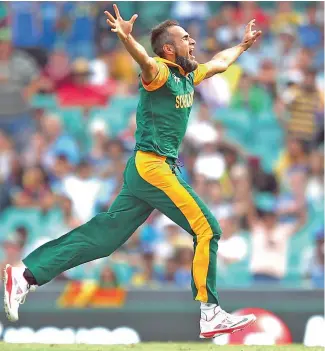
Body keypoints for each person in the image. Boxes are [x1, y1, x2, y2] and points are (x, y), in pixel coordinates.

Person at [3, 4, 261, 339]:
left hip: (146, 169)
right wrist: (127, 39)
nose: (193, 41)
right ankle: (210, 312)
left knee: (106, 238)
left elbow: (218, 63)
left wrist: (241, 46)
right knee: (208, 229)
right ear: (169, 48)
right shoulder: (161, 73)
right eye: (185, 38)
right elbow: (145, 60)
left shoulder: (187, 75)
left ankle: (26, 275)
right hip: (153, 167)